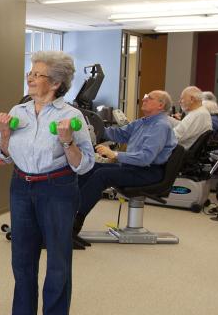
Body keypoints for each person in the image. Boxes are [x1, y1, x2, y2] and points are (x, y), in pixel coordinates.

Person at [0, 51, 95, 315]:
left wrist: (67, 141)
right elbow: (2, 155)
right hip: (21, 186)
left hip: (58, 189)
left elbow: (85, 164)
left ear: (55, 83)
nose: (30, 78)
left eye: (37, 74)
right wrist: (3, 134)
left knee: (58, 261)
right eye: (31, 73)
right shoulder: (18, 110)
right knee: (22, 258)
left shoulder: (72, 117)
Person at [74, 90, 177, 244]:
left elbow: (145, 158)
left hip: (149, 172)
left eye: (150, 98)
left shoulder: (160, 126)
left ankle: (73, 226)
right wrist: (93, 128)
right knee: (91, 167)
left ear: (161, 105)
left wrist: (114, 154)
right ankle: (68, 215)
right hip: (134, 168)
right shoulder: (144, 121)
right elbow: (119, 134)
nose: (145, 99)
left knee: (102, 175)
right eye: (145, 96)